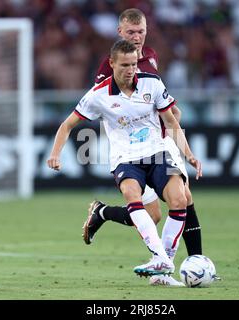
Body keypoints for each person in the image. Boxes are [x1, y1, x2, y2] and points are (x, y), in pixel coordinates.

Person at [47, 40, 202, 278]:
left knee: (179, 198)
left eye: (133, 64)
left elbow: (171, 121)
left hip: (158, 152)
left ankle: (163, 261)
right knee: (133, 195)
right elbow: (67, 125)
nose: (130, 70)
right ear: (112, 64)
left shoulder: (152, 83)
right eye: (124, 65)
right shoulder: (98, 95)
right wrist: (55, 154)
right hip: (126, 158)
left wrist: (188, 154)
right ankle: (160, 258)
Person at [82, 8, 204, 286]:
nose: (136, 38)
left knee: (182, 197)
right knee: (154, 213)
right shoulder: (108, 67)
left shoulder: (149, 56)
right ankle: (103, 213)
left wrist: (171, 113)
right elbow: (112, 105)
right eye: (131, 33)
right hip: (133, 150)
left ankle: (193, 262)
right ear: (119, 33)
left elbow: (156, 95)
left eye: (141, 32)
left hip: (160, 142)